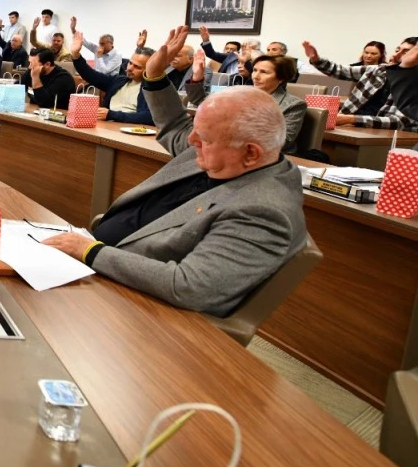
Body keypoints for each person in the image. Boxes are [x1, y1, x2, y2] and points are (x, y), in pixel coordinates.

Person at [43, 26, 306, 318]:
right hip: (97, 263)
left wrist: (91, 251)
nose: (191, 142)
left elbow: (190, 286)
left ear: (251, 153)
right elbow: (175, 125)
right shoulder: (222, 153)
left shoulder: (264, 211)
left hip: (134, 304)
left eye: (203, 138)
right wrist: (155, 75)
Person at [305, 37, 418, 130]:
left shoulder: (412, 85)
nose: (395, 55)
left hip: (378, 131)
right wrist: (316, 60)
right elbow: (340, 71)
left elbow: (399, 122)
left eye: (406, 52)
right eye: (397, 50)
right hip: (347, 122)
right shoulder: (380, 70)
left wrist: (351, 119)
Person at [70, 32, 153, 125]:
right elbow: (91, 75)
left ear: (149, 69)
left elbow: (149, 117)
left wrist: (111, 115)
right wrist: (76, 55)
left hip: (130, 128)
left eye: (137, 67)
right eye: (130, 63)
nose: (129, 68)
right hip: (106, 124)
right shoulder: (119, 81)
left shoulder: (152, 90)